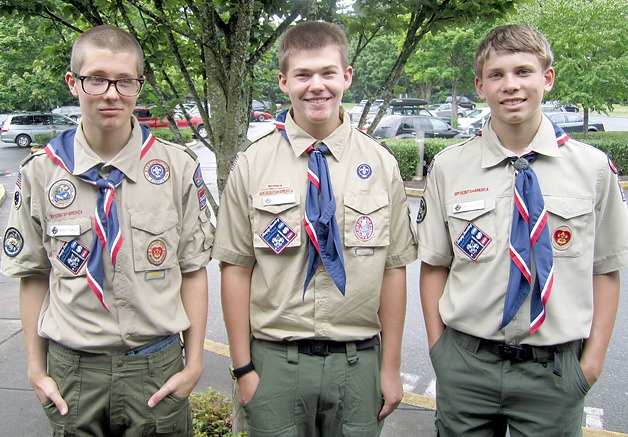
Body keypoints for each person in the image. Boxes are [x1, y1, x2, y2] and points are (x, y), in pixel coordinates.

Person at [417, 24, 628, 436]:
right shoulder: (449, 167)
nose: (510, 85)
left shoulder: (593, 170)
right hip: (467, 366)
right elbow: (434, 264)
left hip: (553, 371)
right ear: (480, 85)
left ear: (547, 78)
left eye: (523, 72)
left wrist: (592, 362)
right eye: (496, 75)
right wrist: (439, 349)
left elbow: (606, 269)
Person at [1, 25, 213, 436]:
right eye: (96, 78)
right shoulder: (41, 173)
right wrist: (34, 367)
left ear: (139, 85)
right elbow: (33, 275)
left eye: (125, 81)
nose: (111, 93)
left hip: (158, 366)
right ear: (73, 82)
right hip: (73, 372)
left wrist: (196, 362)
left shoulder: (176, 169)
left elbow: (193, 270)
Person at [212, 21, 418, 436]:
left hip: (357, 365)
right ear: (284, 82)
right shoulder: (253, 164)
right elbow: (235, 267)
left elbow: (394, 270)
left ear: (347, 77)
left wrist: (390, 367)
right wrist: (243, 369)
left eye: (327, 72)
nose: (316, 86)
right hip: (275, 364)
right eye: (303, 75)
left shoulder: (381, 166)